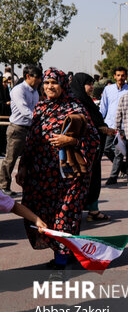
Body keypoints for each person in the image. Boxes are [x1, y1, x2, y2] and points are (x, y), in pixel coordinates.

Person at [15, 68, 99, 278]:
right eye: (47, 83)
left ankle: (61, 263)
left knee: (65, 216)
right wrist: (23, 166)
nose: (50, 87)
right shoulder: (41, 108)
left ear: (63, 85)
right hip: (41, 177)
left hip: (69, 177)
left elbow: (94, 139)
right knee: (44, 217)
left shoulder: (75, 107)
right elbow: (31, 140)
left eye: (54, 83)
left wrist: (71, 141)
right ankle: (66, 251)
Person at [70, 73, 114, 221]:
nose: (92, 87)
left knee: (93, 179)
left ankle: (93, 211)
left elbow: (95, 121)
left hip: (93, 150)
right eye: (89, 84)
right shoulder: (76, 102)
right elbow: (81, 124)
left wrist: (103, 128)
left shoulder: (86, 101)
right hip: (81, 151)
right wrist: (100, 129)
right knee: (80, 181)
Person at [0, 65, 42, 197]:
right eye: (38, 77)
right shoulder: (18, 90)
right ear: (28, 76)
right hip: (18, 129)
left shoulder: (35, 91)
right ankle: (3, 186)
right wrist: (42, 117)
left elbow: (36, 108)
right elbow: (25, 111)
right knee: (10, 159)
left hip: (32, 129)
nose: (40, 80)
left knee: (31, 159)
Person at [100, 66, 128, 185]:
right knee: (106, 149)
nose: (120, 78)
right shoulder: (108, 89)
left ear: (126, 77)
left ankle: (113, 177)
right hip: (110, 125)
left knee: (118, 152)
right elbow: (103, 107)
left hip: (123, 126)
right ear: (114, 76)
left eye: (122, 75)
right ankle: (123, 167)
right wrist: (100, 122)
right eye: (118, 75)